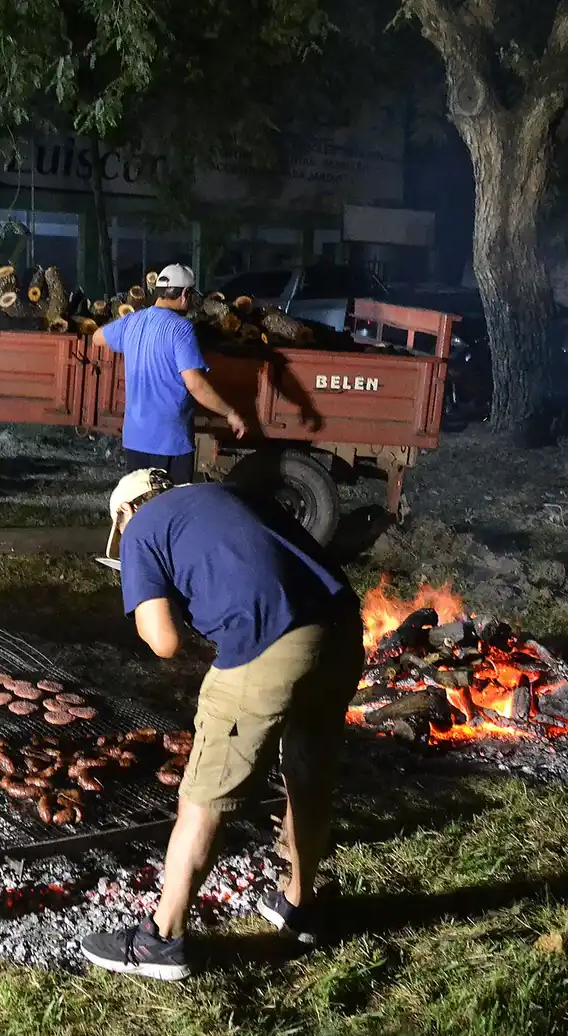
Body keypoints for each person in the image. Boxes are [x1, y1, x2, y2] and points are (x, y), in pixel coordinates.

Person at [78, 470, 364, 982]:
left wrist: (155, 602)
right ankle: (299, 904)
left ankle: (161, 940)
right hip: (343, 633)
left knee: (203, 794)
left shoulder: (143, 529)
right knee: (308, 773)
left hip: (271, 641)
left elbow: (163, 640)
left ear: (126, 514)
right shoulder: (232, 494)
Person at [91, 264, 248, 483]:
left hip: (135, 438)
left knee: (142, 504)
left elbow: (97, 337)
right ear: (184, 293)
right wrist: (229, 412)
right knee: (172, 506)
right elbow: (195, 384)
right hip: (169, 442)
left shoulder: (132, 321)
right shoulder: (181, 329)